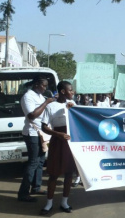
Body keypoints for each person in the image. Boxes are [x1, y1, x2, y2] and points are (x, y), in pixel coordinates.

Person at [40, 81, 77, 215]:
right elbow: (44, 126)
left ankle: (64, 202)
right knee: (54, 174)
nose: (72, 92)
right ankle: (49, 203)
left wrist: (73, 110)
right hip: (58, 140)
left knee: (69, 173)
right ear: (62, 91)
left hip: (71, 141)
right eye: (70, 90)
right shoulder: (51, 106)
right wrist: (58, 134)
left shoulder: (74, 105)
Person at [18, 75, 55, 202]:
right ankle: (23, 193)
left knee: (40, 161)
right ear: (36, 85)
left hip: (42, 133)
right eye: (43, 85)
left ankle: (36, 187)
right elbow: (32, 115)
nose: (45, 88)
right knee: (33, 162)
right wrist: (46, 103)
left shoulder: (39, 96)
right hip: (32, 133)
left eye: (46, 86)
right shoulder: (28, 96)